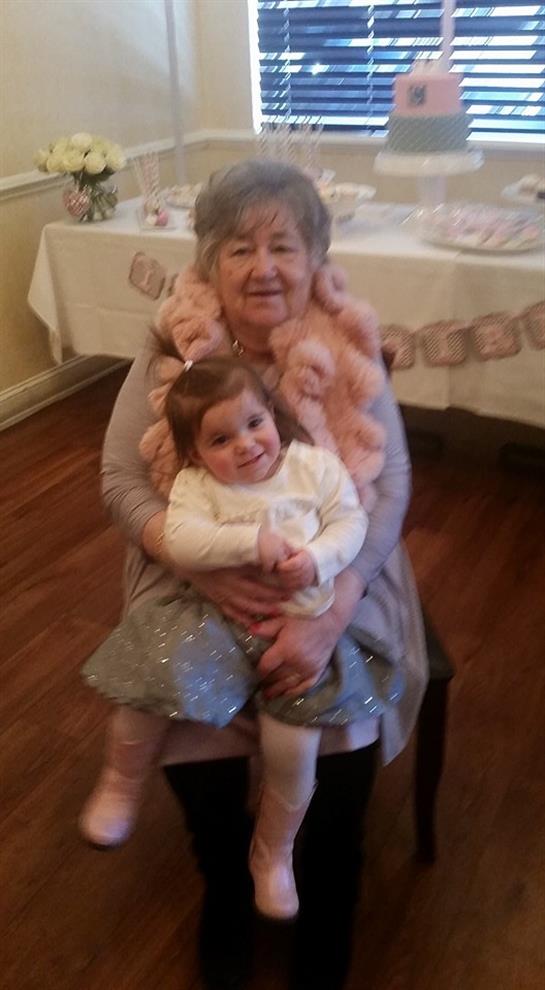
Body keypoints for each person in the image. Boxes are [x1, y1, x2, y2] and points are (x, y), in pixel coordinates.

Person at [90, 159, 428, 990]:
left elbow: (389, 485)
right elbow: (121, 480)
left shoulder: (346, 343)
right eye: (239, 248)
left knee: (335, 746)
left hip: (336, 565)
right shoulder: (175, 344)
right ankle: (224, 877)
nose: (263, 267)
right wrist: (196, 561)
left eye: (284, 245)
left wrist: (333, 605)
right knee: (178, 699)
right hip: (194, 558)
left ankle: (325, 884)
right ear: (208, 263)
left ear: (315, 258)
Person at [81, 355, 388, 922]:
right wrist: (249, 543)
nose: (245, 445)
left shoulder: (314, 467)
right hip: (215, 621)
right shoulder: (198, 485)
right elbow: (182, 540)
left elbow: (352, 523)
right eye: (221, 439)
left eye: (254, 424)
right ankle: (122, 780)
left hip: (301, 623)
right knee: (149, 688)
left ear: (272, 414)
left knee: (294, 744)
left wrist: (318, 559)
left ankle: (273, 852)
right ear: (196, 454)